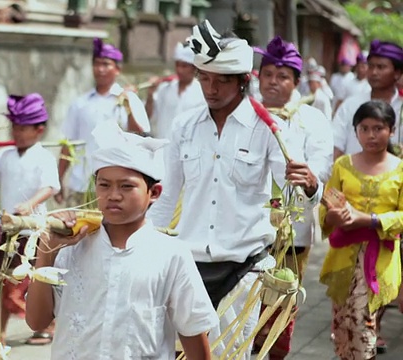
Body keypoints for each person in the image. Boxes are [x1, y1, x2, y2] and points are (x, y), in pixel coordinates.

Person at [147, 20, 320, 359]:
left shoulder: (272, 130)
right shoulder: (184, 125)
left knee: (231, 354)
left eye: (221, 81)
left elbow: (294, 193)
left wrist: (311, 185)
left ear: (243, 82)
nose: (211, 89)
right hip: (188, 263)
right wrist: (141, 245)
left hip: (244, 267)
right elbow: (167, 196)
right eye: (204, 78)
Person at [26, 120, 218, 359]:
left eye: (127, 187)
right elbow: (37, 321)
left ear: (154, 193)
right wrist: (47, 251)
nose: (113, 196)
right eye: (104, 185)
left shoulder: (170, 255)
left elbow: (193, 331)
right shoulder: (70, 248)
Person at [252, 36, 334, 359]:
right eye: (268, 74)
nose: (273, 82)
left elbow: (320, 171)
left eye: (282, 76)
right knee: (240, 309)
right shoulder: (244, 113)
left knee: (279, 307)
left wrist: (310, 180)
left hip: (291, 234)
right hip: (245, 230)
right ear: (257, 77)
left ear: (297, 81)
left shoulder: (312, 120)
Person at [319, 100, 403, 360]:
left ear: (392, 129)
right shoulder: (343, 165)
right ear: (355, 131)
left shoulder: (400, 169)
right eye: (364, 128)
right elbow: (327, 205)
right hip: (342, 256)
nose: (371, 135)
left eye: (378, 128)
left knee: (361, 322)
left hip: (379, 258)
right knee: (342, 328)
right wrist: (333, 215)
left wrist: (368, 220)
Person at [0, 93, 60, 345]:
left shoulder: (43, 157)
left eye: (23, 128)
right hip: (8, 228)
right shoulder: (4, 157)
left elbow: (50, 186)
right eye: (14, 127)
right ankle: (0, 334)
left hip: (33, 230)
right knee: (5, 282)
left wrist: (30, 204)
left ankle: (47, 323)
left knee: (32, 282)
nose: (17, 133)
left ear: (39, 130)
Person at [56, 38, 151, 208]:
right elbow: (68, 144)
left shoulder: (129, 99)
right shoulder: (80, 103)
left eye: (106, 64)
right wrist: (59, 179)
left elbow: (140, 137)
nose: (100, 69)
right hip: (81, 182)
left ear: (117, 69)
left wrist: (128, 105)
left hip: (114, 185)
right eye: (96, 64)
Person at [333, 40, 403, 160]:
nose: (374, 72)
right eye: (370, 66)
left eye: (381, 67)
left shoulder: (401, 106)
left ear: (397, 73)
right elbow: (335, 146)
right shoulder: (351, 105)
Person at [145, 42, 204, 139]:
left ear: (194, 68)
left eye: (184, 66)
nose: (179, 70)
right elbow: (149, 117)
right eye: (177, 65)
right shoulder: (164, 88)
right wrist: (150, 95)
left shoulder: (202, 92)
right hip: (162, 144)